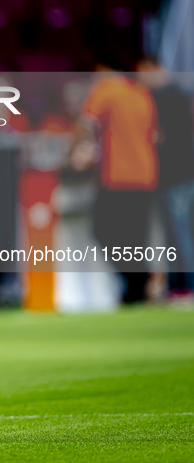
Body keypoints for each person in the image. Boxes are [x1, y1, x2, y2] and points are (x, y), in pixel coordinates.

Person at [72, 69, 159, 303]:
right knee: (134, 238)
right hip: (146, 174)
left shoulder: (106, 90)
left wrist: (76, 153)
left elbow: (86, 123)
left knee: (103, 230)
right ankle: (137, 288)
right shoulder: (141, 93)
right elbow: (156, 134)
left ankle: (138, 282)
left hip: (118, 175)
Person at [135, 58, 194, 296]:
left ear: (153, 69)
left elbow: (159, 136)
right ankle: (178, 286)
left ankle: (186, 287)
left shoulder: (165, 97)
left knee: (178, 233)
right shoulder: (179, 94)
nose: (141, 80)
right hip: (180, 174)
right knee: (176, 233)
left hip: (175, 175)